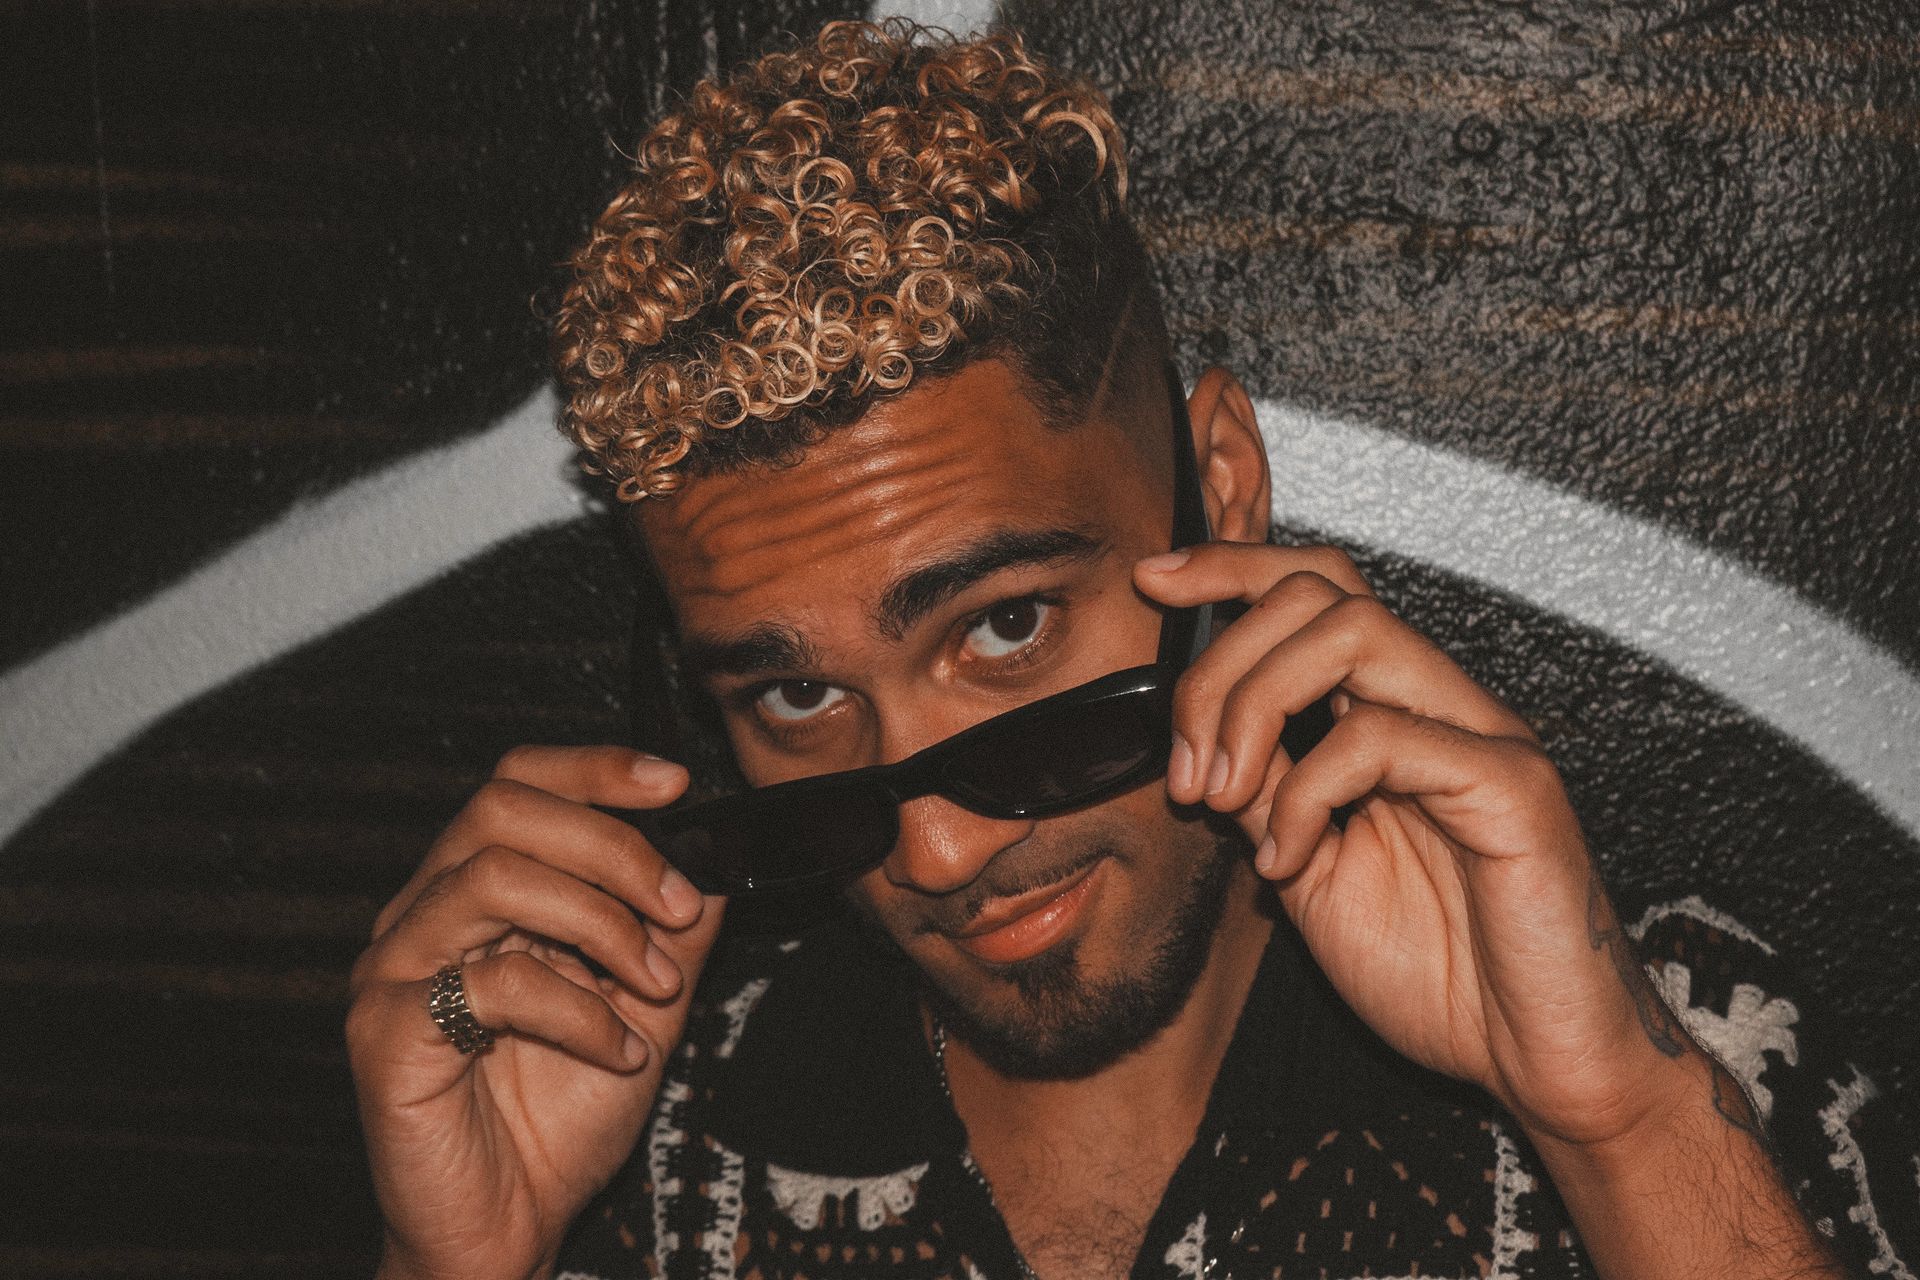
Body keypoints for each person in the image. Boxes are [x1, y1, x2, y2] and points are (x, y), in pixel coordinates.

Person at [346, 19, 1915, 1280]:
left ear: (1218, 486)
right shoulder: (643, 1140)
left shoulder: (1683, 1049)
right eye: (799, 696)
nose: (941, 846)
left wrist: (1619, 1131)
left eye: (1007, 627)